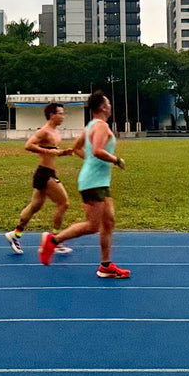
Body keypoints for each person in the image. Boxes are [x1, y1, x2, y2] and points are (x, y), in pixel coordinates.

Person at [38, 90, 129, 279]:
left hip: (98, 181)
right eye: (108, 103)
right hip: (93, 182)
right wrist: (116, 159)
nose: (110, 106)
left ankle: (105, 266)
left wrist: (90, 163)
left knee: (109, 221)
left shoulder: (90, 126)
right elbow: (97, 150)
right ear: (103, 106)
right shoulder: (101, 126)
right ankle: (53, 240)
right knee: (93, 225)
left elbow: (76, 148)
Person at [5, 102, 74, 255]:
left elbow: (52, 151)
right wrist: (50, 151)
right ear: (52, 115)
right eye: (60, 113)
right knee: (64, 203)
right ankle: (55, 239)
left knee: (35, 206)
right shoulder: (45, 131)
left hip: (47, 172)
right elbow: (28, 145)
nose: (63, 116)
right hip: (45, 173)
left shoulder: (55, 132)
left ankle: (15, 234)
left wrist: (61, 152)